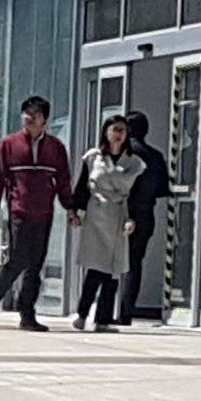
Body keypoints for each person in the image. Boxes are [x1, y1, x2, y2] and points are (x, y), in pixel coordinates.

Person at [0, 95, 74, 332]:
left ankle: (27, 313)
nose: (29, 119)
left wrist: (70, 207)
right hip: (19, 212)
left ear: (45, 120)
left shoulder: (56, 148)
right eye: (26, 114)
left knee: (35, 265)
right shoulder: (9, 145)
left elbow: (63, 181)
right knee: (17, 260)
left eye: (35, 115)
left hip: (44, 213)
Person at [69, 115, 144, 332]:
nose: (118, 134)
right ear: (106, 132)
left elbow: (137, 196)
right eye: (115, 129)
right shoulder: (93, 157)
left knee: (113, 269)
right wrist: (75, 212)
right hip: (96, 214)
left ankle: (102, 318)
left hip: (118, 214)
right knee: (96, 266)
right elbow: (82, 187)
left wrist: (132, 219)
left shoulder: (134, 162)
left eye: (122, 130)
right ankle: (83, 313)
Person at [119, 111, 172, 325]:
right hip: (146, 213)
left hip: (122, 212)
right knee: (134, 263)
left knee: (110, 262)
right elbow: (162, 189)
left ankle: (108, 309)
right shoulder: (155, 155)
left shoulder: (124, 155)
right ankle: (126, 310)